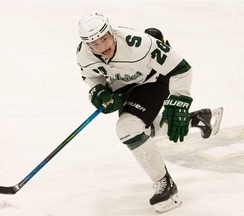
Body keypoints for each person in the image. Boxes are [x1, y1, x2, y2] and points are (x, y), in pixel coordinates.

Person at [76, 12, 220, 214]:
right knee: (140, 130)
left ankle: (165, 186)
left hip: (155, 79)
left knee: (128, 129)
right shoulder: (84, 53)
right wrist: (98, 90)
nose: (102, 47)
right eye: (94, 44)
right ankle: (196, 120)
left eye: (104, 39)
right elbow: (91, 77)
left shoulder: (140, 45)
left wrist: (179, 101)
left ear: (111, 32)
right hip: (127, 86)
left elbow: (182, 68)